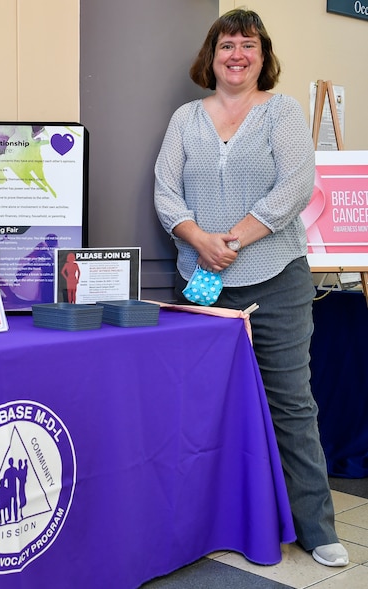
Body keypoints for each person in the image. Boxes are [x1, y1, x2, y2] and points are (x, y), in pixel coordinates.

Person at [154, 9, 348, 567]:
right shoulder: (187, 118)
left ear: (264, 57)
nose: (236, 54)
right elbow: (166, 191)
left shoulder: (283, 112)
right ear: (210, 56)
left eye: (248, 45)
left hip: (276, 279)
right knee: (201, 407)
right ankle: (204, 523)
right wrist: (198, 238)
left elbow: (296, 186)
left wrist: (231, 240)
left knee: (291, 404)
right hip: (201, 282)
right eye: (226, 45)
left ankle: (316, 526)